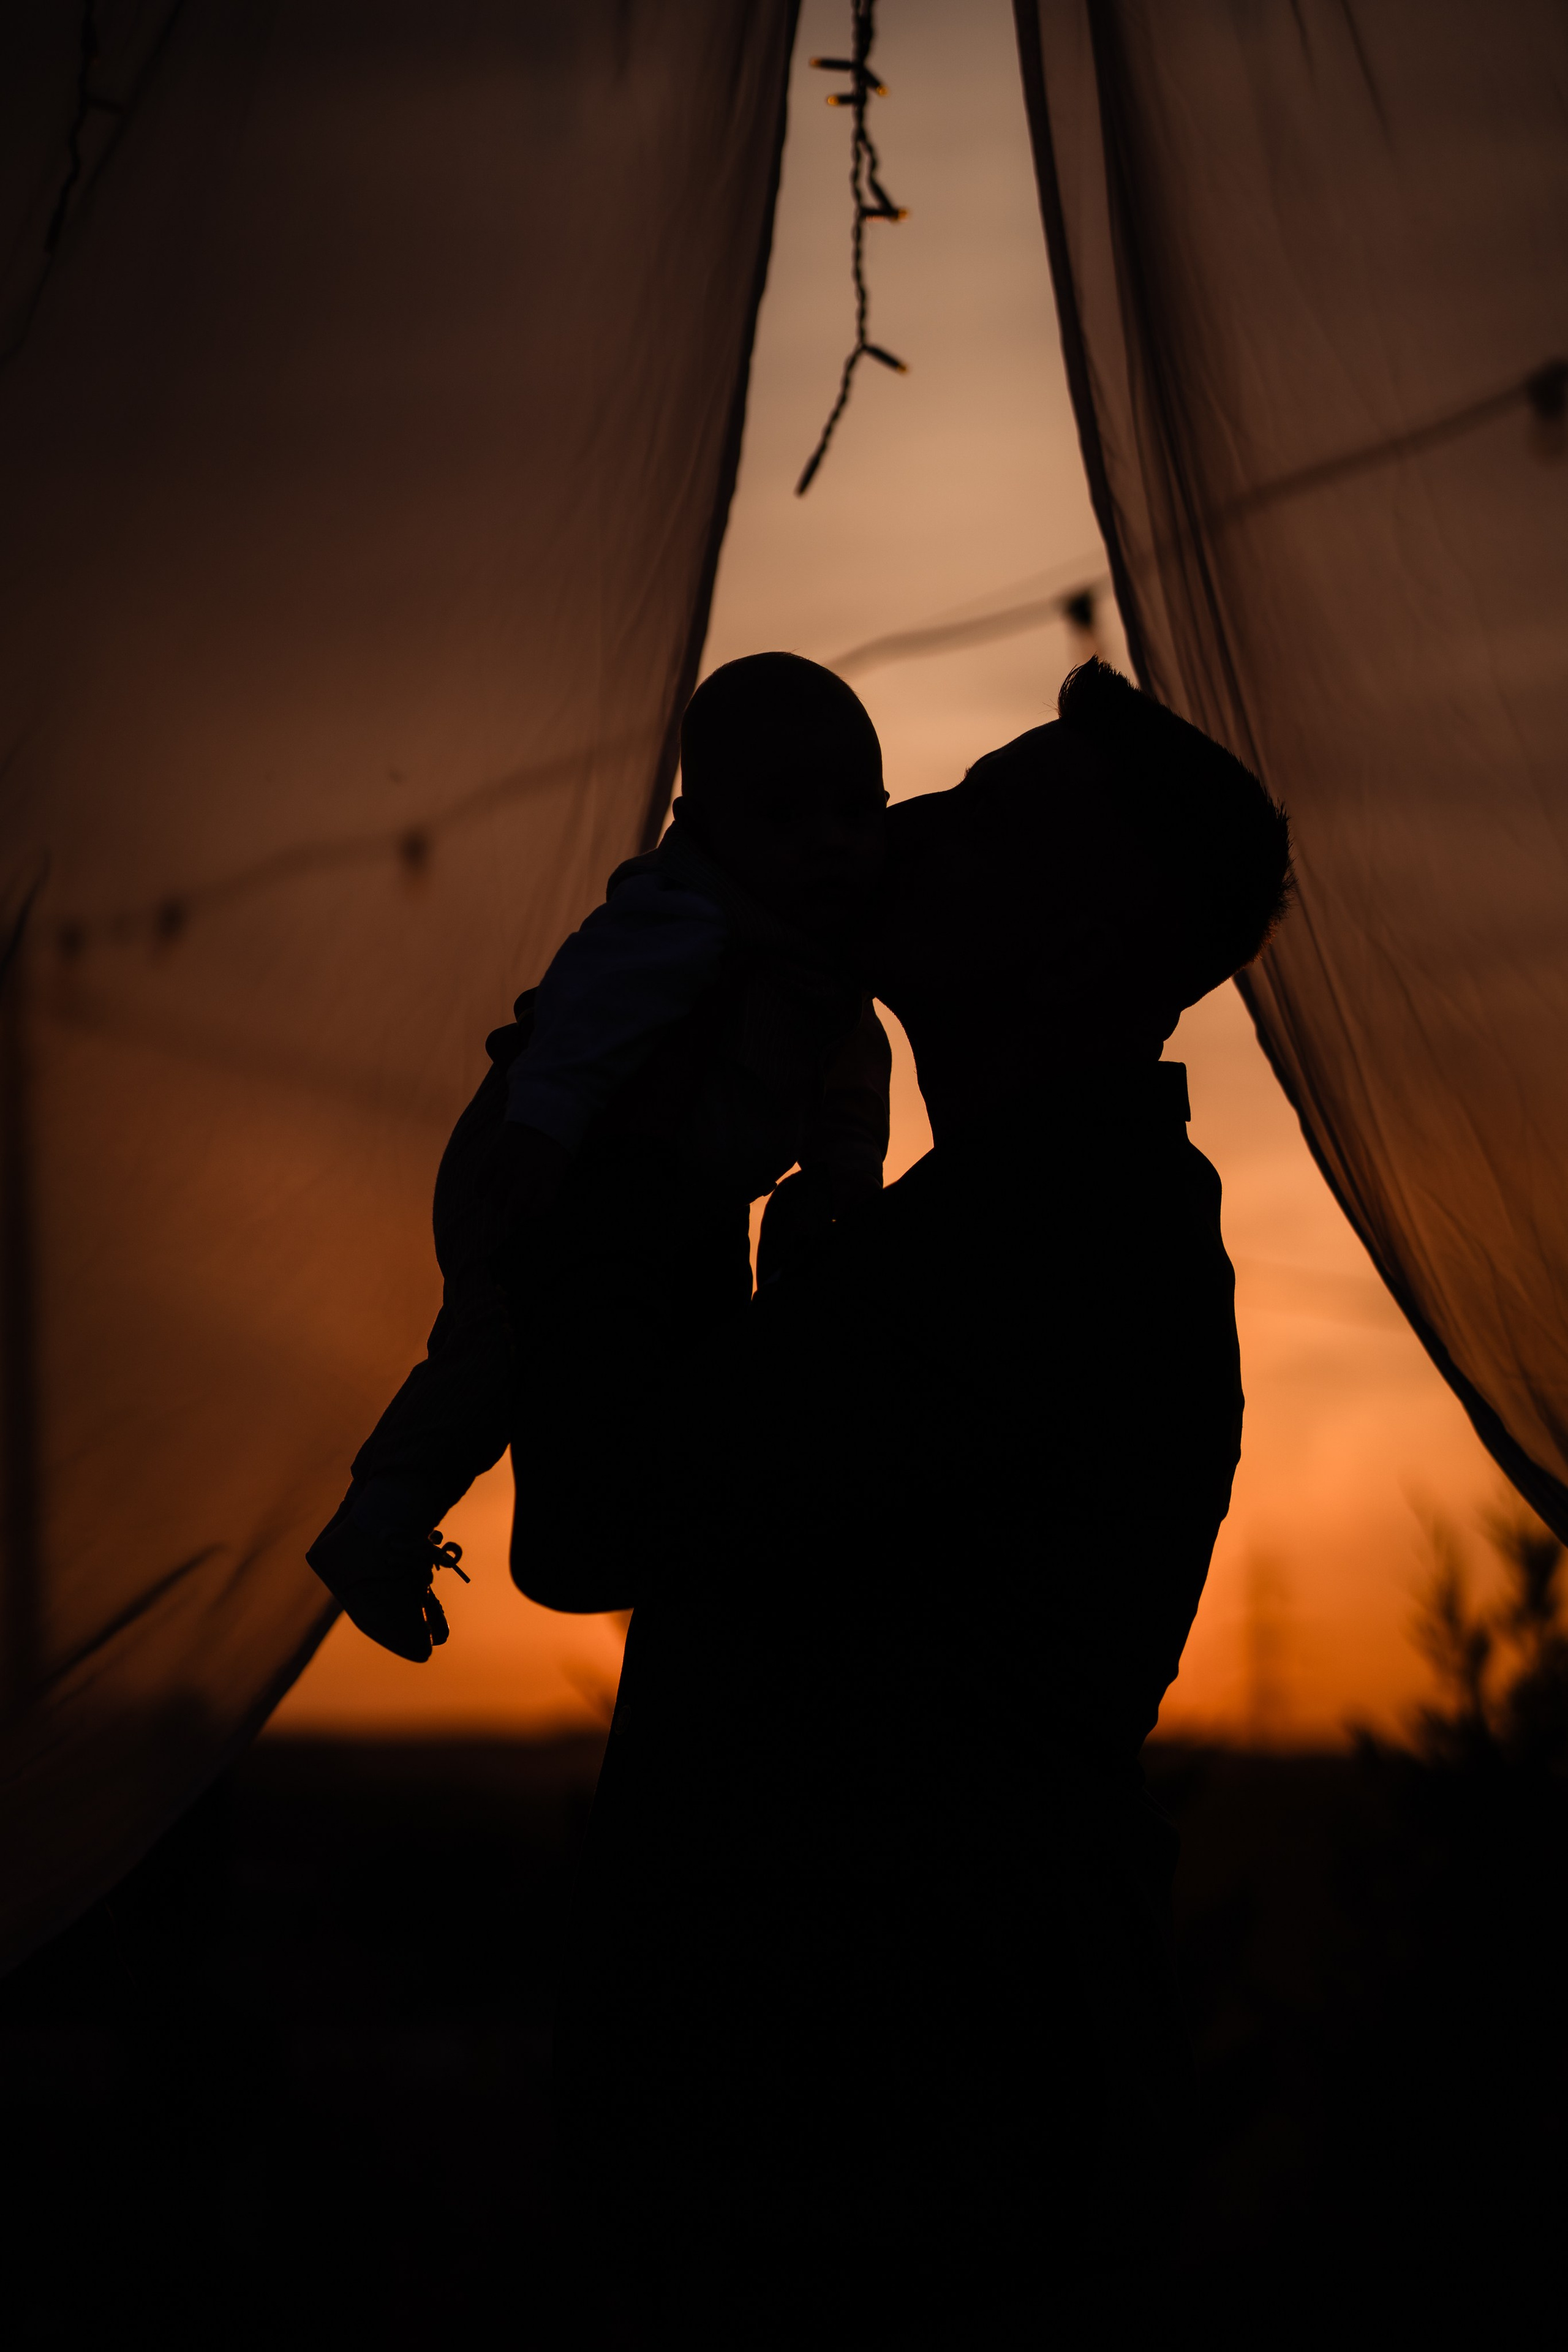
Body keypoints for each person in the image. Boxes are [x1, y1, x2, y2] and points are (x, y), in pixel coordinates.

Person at [543, 659, 1294, 2343]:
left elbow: (592, 1514)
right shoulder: (1029, 1227)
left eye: (984, 823)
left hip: (892, 2171)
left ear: (1080, 943)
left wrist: (628, 1134)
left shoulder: (1035, 1254)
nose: (904, 830)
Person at [306, 654, 892, 1661]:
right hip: (550, 1161)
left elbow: (853, 1069)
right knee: (499, 1339)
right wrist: (543, 1132)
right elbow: (586, 1017)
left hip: (672, 1199)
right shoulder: (681, 915)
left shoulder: (825, 965)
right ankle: (378, 1520)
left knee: (664, 1352)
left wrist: (844, 1168)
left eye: (855, 812)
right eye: (787, 815)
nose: (829, 843)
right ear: (705, 824)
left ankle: (644, 1519)